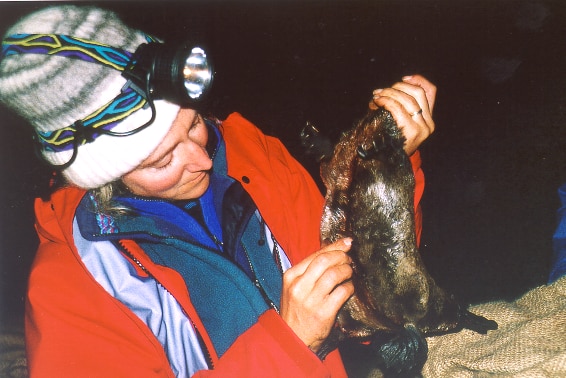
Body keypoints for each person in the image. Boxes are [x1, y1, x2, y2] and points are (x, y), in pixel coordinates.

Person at [0, 5, 436, 377]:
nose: (203, 159)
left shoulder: (251, 156)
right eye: (162, 160)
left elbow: (372, 293)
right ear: (100, 177)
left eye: (194, 124)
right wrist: (287, 345)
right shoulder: (70, 288)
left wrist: (384, 167)